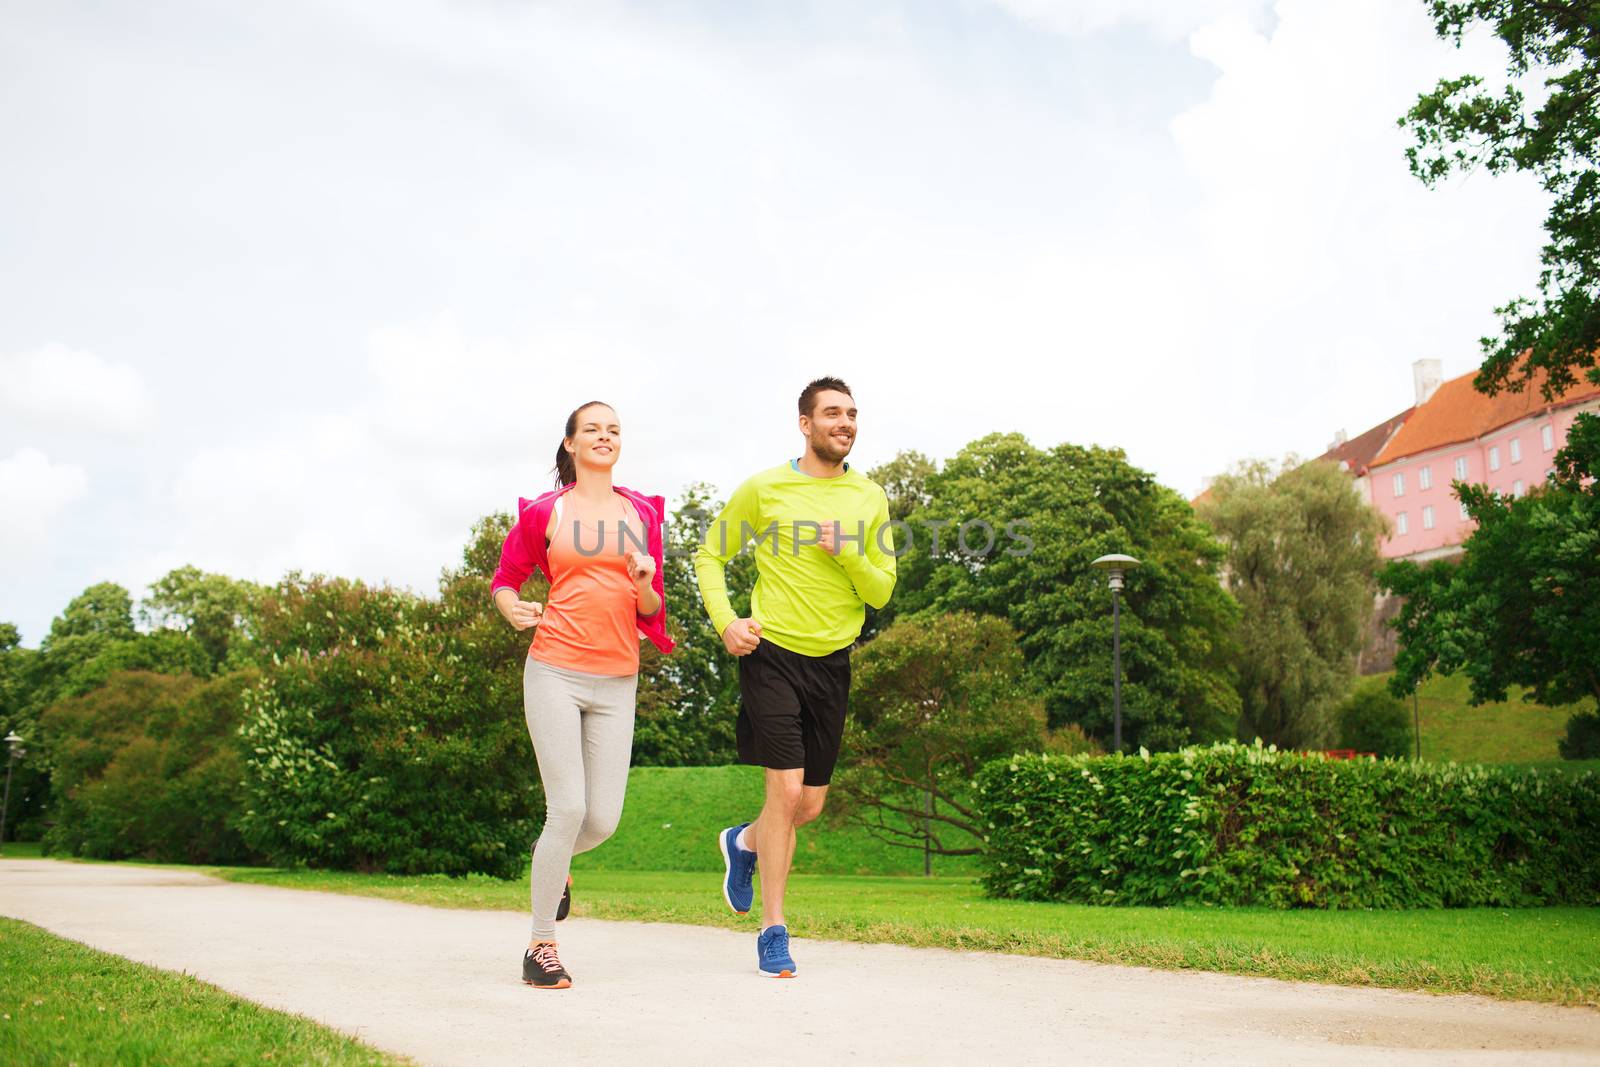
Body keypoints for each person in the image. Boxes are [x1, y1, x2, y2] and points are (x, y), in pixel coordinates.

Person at [694, 376, 896, 978]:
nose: (845, 422)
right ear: (804, 424)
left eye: (852, 414)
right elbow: (710, 553)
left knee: (808, 805)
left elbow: (881, 591)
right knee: (783, 792)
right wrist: (727, 622)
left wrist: (850, 553)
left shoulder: (870, 498)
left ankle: (744, 843)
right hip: (772, 654)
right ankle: (774, 930)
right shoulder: (765, 489)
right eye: (832, 413)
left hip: (833, 662)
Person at [490, 400, 673, 990]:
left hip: (618, 678)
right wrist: (512, 610)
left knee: (602, 820)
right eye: (591, 429)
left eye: (614, 429)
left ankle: (556, 864)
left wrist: (644, 585)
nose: (604, 436)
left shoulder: (641, 513)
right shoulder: (548, 511)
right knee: (566, 810)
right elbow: (506, 579)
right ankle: (540, 945)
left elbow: (651, 607)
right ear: (570, 444)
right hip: (555, 670)